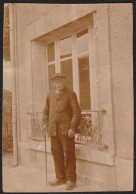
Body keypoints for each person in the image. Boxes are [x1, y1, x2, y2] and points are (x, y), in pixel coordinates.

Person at [43, 73, 81, 190]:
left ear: (64, 82)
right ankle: (60, 178)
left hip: (66, 130)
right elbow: (46, 110)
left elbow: (77, 112)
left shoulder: (70, 94)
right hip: (53, 130)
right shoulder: (50, 95)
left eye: (61, 82)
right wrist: (45, 123)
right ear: (53, 84)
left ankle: (71, 180)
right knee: (56, 154)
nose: (59, 84)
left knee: (69, 154)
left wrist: (73, 128)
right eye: (56, 82)